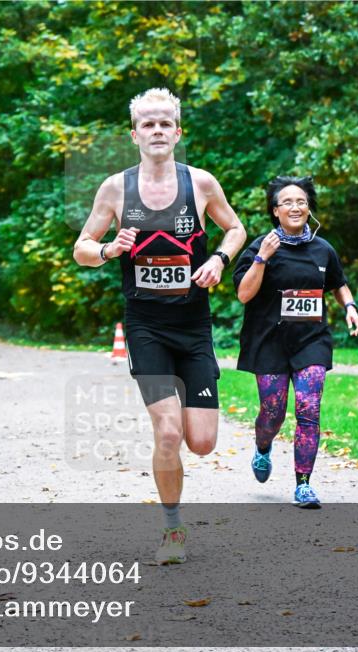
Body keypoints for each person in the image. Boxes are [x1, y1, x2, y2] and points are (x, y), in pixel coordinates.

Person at [73, 88, 246, 564]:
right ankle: (172, 531)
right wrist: (110, 249)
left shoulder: (202, 183)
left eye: (164, 123)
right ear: (134, 134)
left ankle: (185, 462)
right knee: (168, 434)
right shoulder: (116, 188)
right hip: (145, 325)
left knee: (203, 442)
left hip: (194, 327)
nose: (156, 131)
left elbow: (236, 228)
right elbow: (82, 247)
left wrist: (218, 258)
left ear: (177, 132)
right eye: (147, 124)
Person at [232, 176, 358, 508]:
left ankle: (303, 484)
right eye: (287, 202)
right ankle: (263, 446)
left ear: (309, 209)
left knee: (309, 409)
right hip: (269, 341)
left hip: (311, 341)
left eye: (301, 201)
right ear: (275, 211)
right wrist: (262, 257)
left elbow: (338, 283)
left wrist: (349, 306)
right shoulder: (260, 245)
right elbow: (244, 294)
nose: (295, 206)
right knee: (273, 412)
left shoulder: (323, 249)